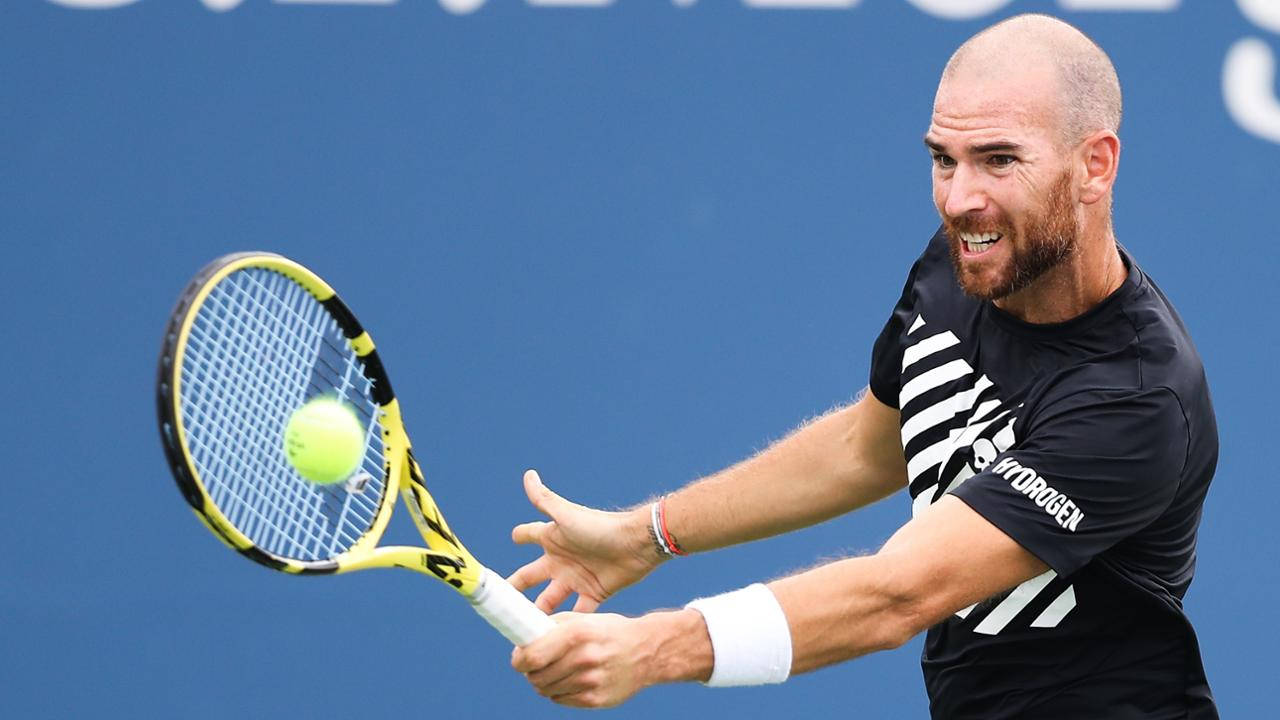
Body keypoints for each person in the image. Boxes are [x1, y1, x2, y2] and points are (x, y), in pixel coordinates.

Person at [506, 13, 1218, 719]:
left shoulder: (1138, 401)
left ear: (1095, 164)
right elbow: (862, 450)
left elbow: (897, 594)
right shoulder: (963, 261)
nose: (961, 200)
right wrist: (644, 535)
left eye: (999, 159)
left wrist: (651, 649)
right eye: (944, 159)